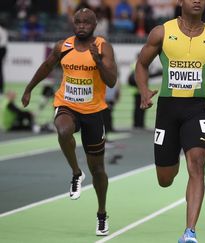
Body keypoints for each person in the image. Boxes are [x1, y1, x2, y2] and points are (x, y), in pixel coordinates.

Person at [134, 0, 205, 242]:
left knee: (197, 164)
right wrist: (144, 90)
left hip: (197, 109)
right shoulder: (162, 32)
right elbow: (142, 64)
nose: (197, 0)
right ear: (180, 1)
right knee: (165, 179)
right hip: (167, 109)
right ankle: (174, 152)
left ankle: (190, 232)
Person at [21, 8, 117, 236]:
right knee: (63, 130)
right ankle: (76, 173)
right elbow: (46, 67)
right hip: (67, 104)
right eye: (78, 22)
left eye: (86, 22)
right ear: (73, 24)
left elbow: (111, 81)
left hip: (93, 111)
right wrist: (28, 90)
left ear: (95, 25)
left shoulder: (103, 47)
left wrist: (98, 61)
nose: (82, 26)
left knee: (99, 170)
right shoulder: (63, 46)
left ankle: (102, 213)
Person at [0, 22, 7, 95]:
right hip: (3, 49)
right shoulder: (3, 30)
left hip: (1, 49)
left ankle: (1, 89)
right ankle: (1, 89)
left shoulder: (1, 30)